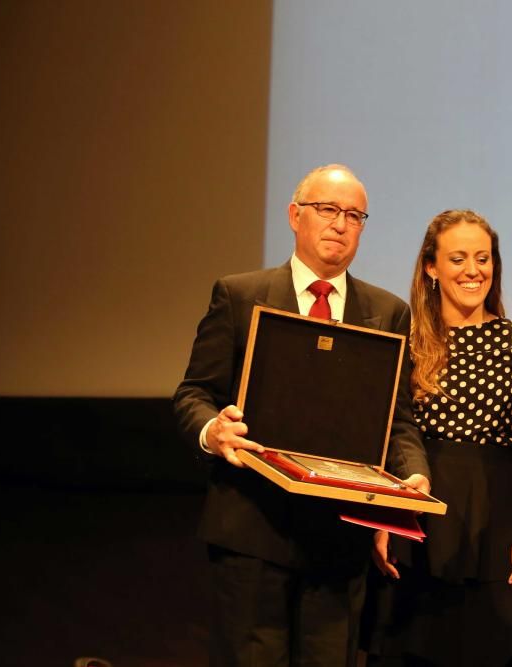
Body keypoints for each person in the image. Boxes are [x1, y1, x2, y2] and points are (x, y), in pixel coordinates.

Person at [173, 164, 430, 667]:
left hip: (338, 542)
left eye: (354, 215)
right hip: (251, 530)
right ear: (295, 216)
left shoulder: (387, 312)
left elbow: (396, 419)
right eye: (328, 209)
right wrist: (214, 431)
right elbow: (193, 394)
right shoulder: (239, 295)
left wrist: (413, 472)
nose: (340, 224)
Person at [367, 209, 512, 666]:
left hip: (497, 528)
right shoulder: (406, 341)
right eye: (458, 259)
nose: (474, 271)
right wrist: (379, 523)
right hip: (419, 526)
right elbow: (383, 438)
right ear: (431, 267)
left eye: (483, 258)